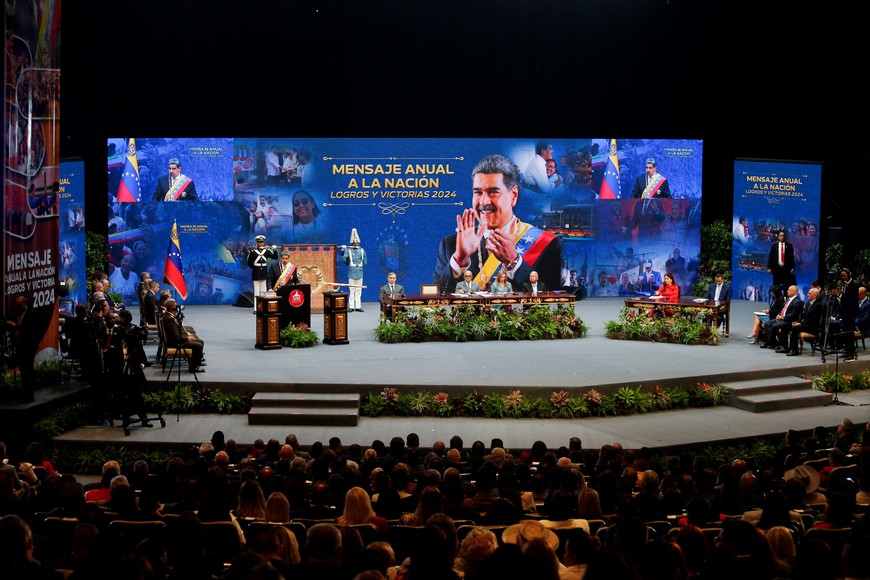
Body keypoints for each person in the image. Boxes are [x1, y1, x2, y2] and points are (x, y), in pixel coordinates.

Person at [433, 154, 562, 293]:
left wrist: (514, 262)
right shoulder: (451, 244)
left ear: (513, 195)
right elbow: (437, 302)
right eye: (478, 193)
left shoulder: (547, 244)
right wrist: (460, 260)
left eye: (493, 192)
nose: (484, 202)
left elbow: (550, 304)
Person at [4, 295, 41, 403]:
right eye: (17, 305)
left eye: (20, 305)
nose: (18, 307)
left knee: (28, 371)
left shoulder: (31, 315)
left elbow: (30, 331)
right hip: (19, 347)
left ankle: (30, 395)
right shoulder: (16, 314)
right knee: (23, 371)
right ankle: (24, 393)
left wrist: (16, 327)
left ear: (25, 304)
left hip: (28, 347)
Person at [162, 299, 205, 373]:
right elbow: (176, 336)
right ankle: (193, 368)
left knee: (200, 341)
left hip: (175, 340)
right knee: (198, 345)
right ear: (173, 309)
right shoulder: (169, 319)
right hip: (175, 343)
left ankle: (196, 363)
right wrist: (187, 338)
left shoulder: (167, 315)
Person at [761, 284, 803, 350]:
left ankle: (771, 342)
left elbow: (793, 314)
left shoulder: (797, 302)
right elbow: (783, 309)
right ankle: (773, 342)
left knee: (775, 325)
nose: (787, 291)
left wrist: (782, 318)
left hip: (789, 320)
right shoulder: (788, 299)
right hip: (782, 318)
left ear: (794, 292)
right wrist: (779, 315)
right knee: (767, 324)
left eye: (789, 290)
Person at [785, 286, 824, 356]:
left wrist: (800, 324)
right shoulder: (809, 303)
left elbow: (813, 319)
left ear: (815, 295)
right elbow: (803, 315)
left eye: (809, 293)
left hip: (812, 326)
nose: (807, 295)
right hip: (806, 324)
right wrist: (798, 321)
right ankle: (792, 348)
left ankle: (794, 350)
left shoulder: (818, 305)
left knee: (795, 328)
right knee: (793, 325)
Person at [246, 234, 278, 312]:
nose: (260, 243)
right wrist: (254, 268)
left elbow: (275, 257)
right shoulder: (253, 252)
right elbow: (249, 262)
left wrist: (275, 250)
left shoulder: (266, 251)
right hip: (256, 273)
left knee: (263, 291)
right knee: (256, 291)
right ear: (257, 243)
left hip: (263, 272)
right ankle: (256, 308)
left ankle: (263, 307)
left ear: (263, 242)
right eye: (259, 242)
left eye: (262, 242)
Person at [342, 228, 367, 312]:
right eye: (354, 242)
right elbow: (344, 259)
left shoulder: (362, 250)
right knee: (352, 290)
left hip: (359, 272)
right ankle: (351, 306)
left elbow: (365, 261)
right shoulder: (348, 251)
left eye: (356, 242)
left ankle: (358, 306)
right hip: (351, 272)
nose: (355, 243)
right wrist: (343, 251)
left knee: (359, 290)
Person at [839, 267, 860, 362]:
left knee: (850, 332)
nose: (843, 277)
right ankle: (847, 350)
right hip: (845, 312)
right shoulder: (845, 284)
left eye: (844, 275)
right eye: (841, 275)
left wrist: (841, 296)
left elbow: (851, 299)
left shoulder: (854, 284)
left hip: (851, 313)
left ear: (849, 275)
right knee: (845, 331)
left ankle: (851, 353)